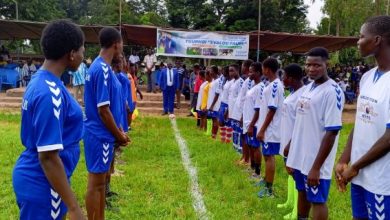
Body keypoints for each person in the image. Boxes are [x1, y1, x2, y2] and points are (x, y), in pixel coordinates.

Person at [12, 19, 85, 220]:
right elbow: (49, 157)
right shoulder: (49, 92)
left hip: (42, 180)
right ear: (71, 53)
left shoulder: (42, 81)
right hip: (43, 183)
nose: (82, 56)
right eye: (82, 51)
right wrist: (74, 208)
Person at [335, 15, 390, 220]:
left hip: (382, 180)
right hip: (359, 176)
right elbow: (360, 123)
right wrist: (344, 160)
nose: (358, 42)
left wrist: (355, 167)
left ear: (376, 40)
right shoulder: (367, 77)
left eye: (361, 36)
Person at [286, 47, 344, 220]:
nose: (311, 69)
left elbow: (332, 132)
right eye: (308, 65)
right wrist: (291, 146)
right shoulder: (308, 87)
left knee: (317, 200)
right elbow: (301, 121)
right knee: (302, 191)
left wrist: (316, 168)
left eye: (317, 65)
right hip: (300, 154)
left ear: (327, 64)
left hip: (316, 159)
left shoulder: (332, 91)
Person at [84, 27, 129, 220]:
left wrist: (119, 130)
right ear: (116, 44)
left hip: (102, 134)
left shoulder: (100, 67)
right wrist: (119, 135)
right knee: (96, 184)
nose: (122, 47)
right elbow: (103, 110)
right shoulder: (101, 69)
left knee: (101, 184)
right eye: (122, 44)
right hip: (99, 135)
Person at [277, 64, 305, 219]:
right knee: (290, 174)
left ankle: (296, 212)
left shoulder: (303, 95)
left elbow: (301, 125)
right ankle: (289, 202)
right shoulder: (293, 93)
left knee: (296, 176)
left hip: (294, 144)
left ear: (292, 78)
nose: (283, 79)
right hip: (286, 141)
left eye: (285, 76)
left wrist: (290, 144)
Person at [256, 58, 285, 198]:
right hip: (267, 128)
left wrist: (262, 129)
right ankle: (266, 180)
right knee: (266, 155)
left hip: (271, 129)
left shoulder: (275, 85)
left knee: (269, 157)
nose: (262, 70)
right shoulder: (271, 84)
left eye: (263, 68)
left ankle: (269, 189)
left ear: (267, 69)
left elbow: (272, 110)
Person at [244, 62, 265, 183]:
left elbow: (258, 108)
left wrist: (252, 124)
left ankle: (257, 172)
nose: (249, 73)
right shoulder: (253, 85)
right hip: (249, 122)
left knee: (256, 147)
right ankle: (252, 168)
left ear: (258, 73)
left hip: (255, 123)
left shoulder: (260, 87)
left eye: (251, 71)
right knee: (251, 146)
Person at [232, 59, 254, 165]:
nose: (241, 67)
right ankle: (244, 157)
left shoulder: (250, 81)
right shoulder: (246, 80)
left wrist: (242, 115)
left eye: (243, 65)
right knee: (243, 136)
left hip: (246, 114)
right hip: (241, 112)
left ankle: (247, 159)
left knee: (246, 137)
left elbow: (247, 99)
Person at [218, 66, 233, 143]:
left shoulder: (232, 82)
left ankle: (227, 140)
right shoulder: (226, 81)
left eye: (224, 71)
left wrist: (228, 108)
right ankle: (222, 139)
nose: (222, 72)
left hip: (227, 104)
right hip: (222, 103)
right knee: (221, 122)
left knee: (227, 122)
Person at [207, 66, 222, 139]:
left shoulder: (219, 81)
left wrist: (212, 105)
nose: (210, 72)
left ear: (215, 72)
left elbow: (217, 94)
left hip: (215, 105)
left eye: (211, 71)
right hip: (211, 104)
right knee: (213, 120)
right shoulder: (213, 80)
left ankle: (214, 136)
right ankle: (212, 135)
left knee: (215, 120)